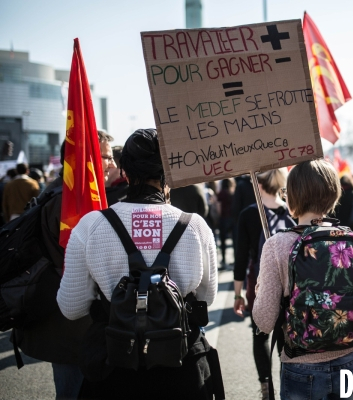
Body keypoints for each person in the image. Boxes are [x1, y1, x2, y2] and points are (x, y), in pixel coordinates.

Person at [57, 129, 218, 399]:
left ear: (124, 171)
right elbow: (207, 296)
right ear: (169, 171)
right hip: (181, 365)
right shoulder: (195, 226)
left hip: (116, 365)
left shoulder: (90, 226)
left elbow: (71, 308)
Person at [252, 159, 353, 400]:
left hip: (302, 368)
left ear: (292, 195)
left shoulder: (277, 245)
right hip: (352, 362)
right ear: (333, 194)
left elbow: (264, 321)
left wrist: (260, 289)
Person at [11, 141, 92, 400]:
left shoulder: (54, 191)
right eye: (104, 156)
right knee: (72, 389)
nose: (112, 163)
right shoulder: (66, 200)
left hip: (64, 318)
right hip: (67, 321)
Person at [233, 169, 289, 399]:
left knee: (260, 336)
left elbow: (241, 258)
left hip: (259, 283)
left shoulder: (248, 214)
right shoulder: (290, 211)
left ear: (258, 184)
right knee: (286, 336)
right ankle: (287, 383)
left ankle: (266, 389)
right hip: (289, 284)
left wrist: (238, 295)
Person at [217, 178, 236, 268]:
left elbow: (219, 207)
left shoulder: (221, 193)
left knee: (223, 241)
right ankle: (235, 259)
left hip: (223, 219)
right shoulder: (233, 193)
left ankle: (224, 260)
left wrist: (219, 216)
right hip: (232, 218)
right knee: (234, 240)